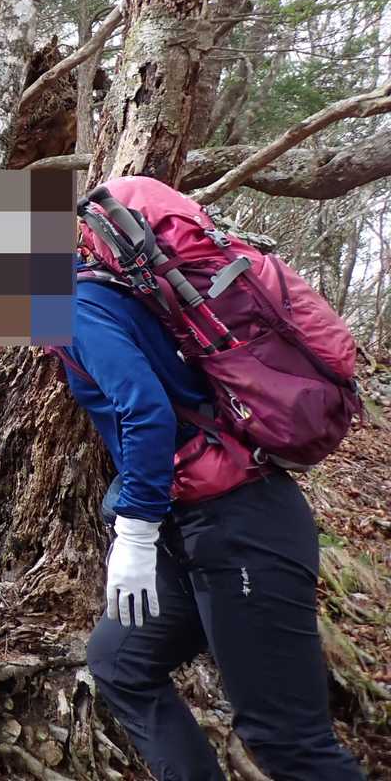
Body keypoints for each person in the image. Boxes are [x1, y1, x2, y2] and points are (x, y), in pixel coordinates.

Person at [59, 258, 365, 781]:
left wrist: (134, 531)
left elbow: (146, 410)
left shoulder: (75, 307)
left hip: (241, 525)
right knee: (120, 663)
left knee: (288, 743)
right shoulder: (94, 295)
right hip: (194, 528)